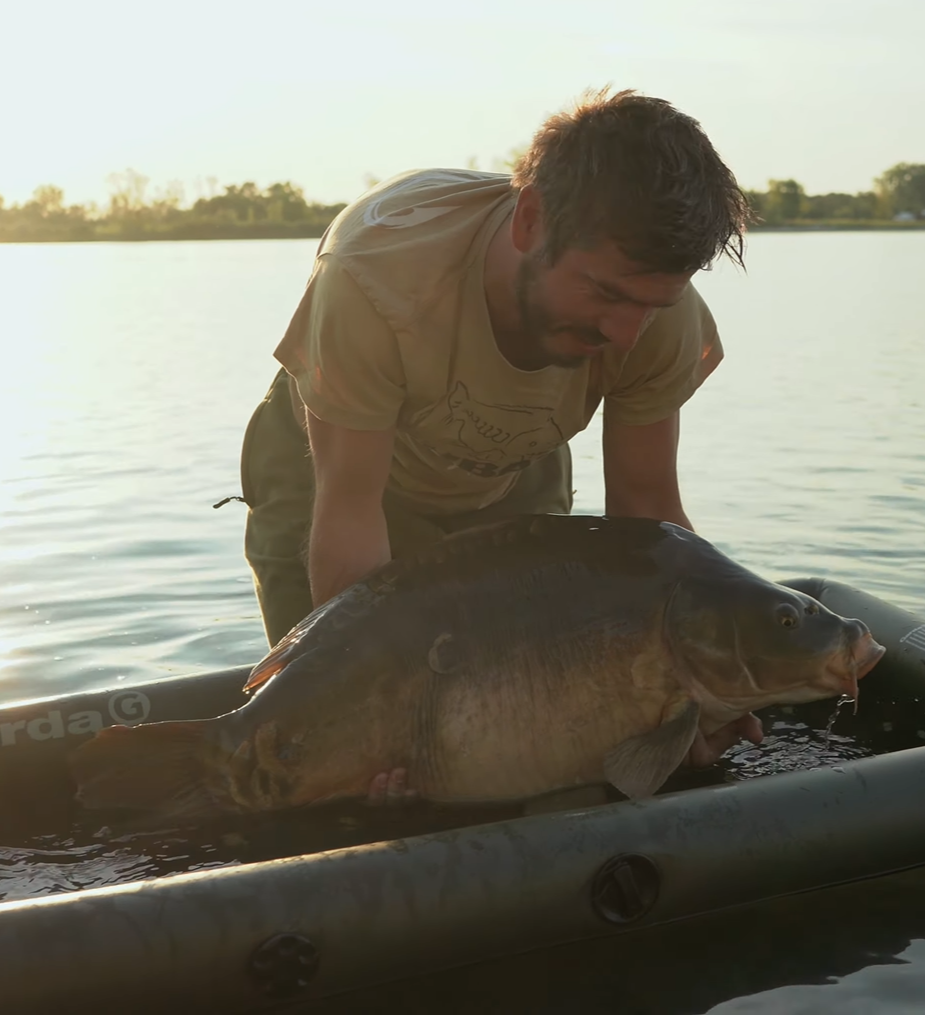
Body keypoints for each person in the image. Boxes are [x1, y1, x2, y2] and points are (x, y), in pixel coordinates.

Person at [237, 87, 759, 803]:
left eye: (652, 305)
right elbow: (350, 514)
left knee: (521, 745)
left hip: (513, 464)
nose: (625, 334)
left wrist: (695, 698)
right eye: (605, 294)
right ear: (531, 220)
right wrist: (386, 716)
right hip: (334, 474)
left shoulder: (656, 321)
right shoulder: (376, 280)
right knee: (328, 757)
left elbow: (648, 521)